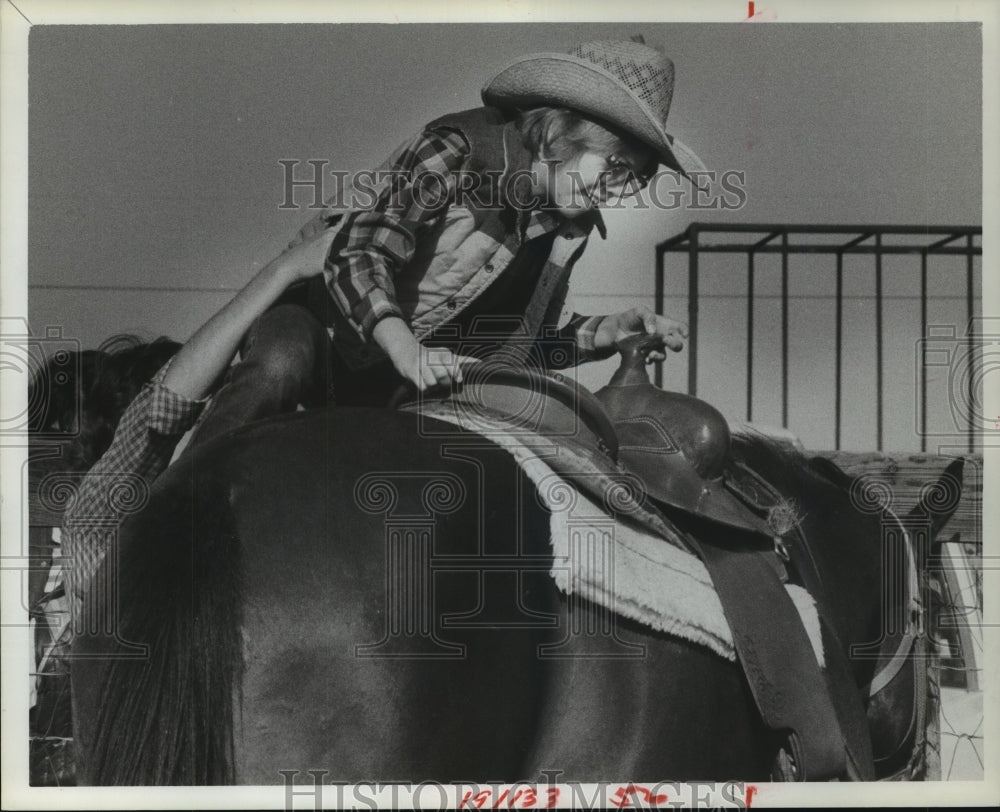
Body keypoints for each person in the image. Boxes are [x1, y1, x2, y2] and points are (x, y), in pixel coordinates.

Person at [185, 38, 702, 445]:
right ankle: (177, 505)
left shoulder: (567, 229)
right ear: (564, 131)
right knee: (278, 365)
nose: (613, 191)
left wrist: (604, 333)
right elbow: (359, 253)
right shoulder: (456, 147)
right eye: (614, 166)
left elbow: (514, 349)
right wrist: (404, 347)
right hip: (326, 334)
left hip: (407, 382)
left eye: (630, 179)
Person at [51, 229, 337, 625]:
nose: (214, 423)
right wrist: (284, 270)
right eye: (201, 416)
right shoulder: (91, 524)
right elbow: (163, 408)